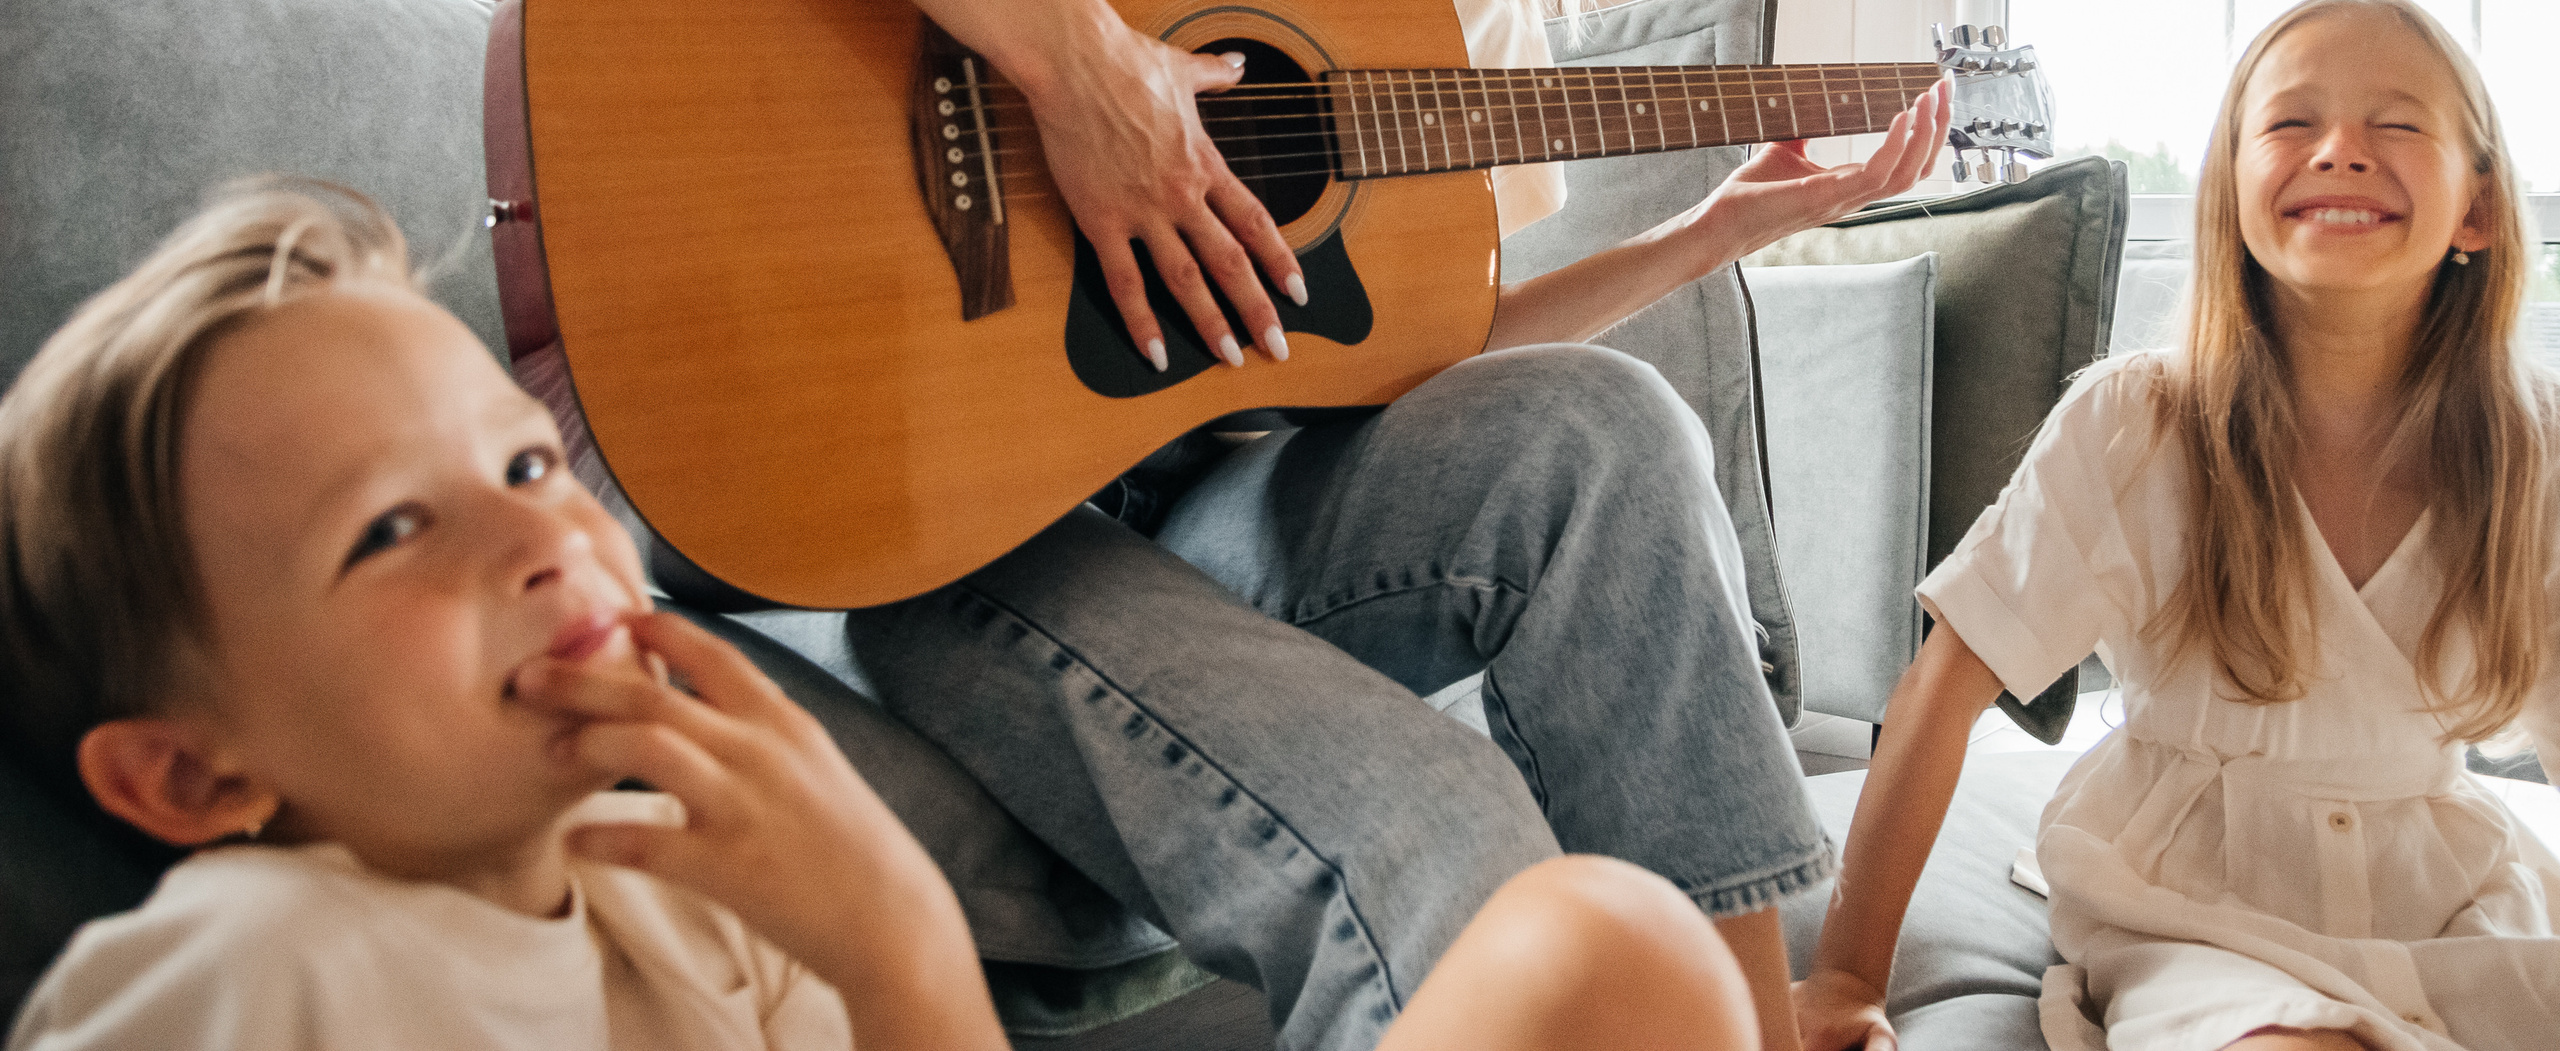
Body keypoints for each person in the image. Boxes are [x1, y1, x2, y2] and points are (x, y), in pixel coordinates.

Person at [648, 0, 1951, 1051]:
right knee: (1457, 850)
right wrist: (1079, 67)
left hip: (1227, 507)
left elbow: (1426, 363)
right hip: (965, 511)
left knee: (1612, 420)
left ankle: (1748, 1017)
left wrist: (1708, 233)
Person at [0, 181, 1765, 1051]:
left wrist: (877, 939)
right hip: (958, 558)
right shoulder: (250, 965)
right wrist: (902, 941)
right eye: (391, 527)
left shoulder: (711, 897)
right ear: (186, 774)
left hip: (1201, 506)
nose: (540, 546)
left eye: (534, 469)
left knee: (1618, 943)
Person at [1794, 0, 2560, 1051]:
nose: (2339, 150)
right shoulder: (2134, 424)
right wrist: (1844, 974)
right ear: (2230, 196)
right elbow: (1942, 690)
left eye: (2396, 125)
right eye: (2291, 124)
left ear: (2476, 208)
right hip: (2200, 906)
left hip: (2452, 903)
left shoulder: (2536, 449)